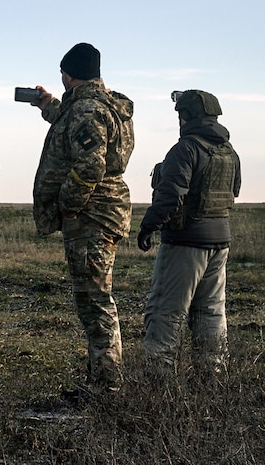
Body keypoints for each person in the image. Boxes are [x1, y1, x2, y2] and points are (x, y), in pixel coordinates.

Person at [31, 43, 134, 394]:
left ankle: (107, 386)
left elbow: (90, 163)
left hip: (91, 216)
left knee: (94, 300)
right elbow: (73, 126)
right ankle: (100, 378)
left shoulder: (87, 109)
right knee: (92, 296)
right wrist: (48, 106)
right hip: (102, 212)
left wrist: (66, 204)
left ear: (68, 74)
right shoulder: (98, 104)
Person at [137, 90, 241, 380]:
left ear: (186, 117)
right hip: (220, 242)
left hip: (185, 243)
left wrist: (149, 226)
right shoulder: (229, 152)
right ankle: (212, 379)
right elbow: (235, 191)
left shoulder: (185, 149)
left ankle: (158, 382)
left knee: (166, 311)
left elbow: (171, 196)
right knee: (210, 312)